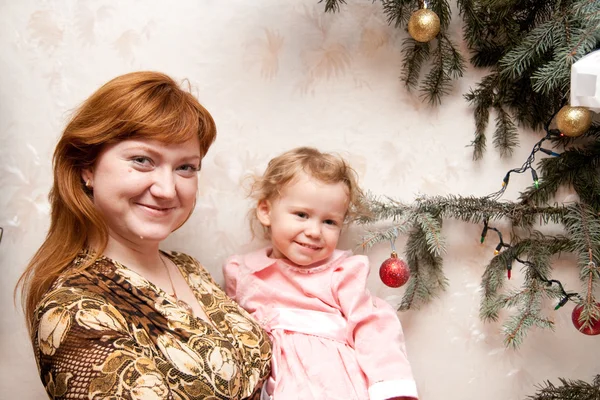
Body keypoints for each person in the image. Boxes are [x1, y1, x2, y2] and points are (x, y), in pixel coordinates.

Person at [16, 71, 271, 400]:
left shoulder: (187, 267)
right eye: (142, 160)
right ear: (87, 168)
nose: (167, 190)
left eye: (185, 167)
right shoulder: (74, 310)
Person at [223, 147, 419, 400]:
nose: (315, 231)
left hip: (333, 386)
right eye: (302, 215)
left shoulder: (341, 273)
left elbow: (374, 330)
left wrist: (392, 391)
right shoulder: (243, 273)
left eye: (329, 222)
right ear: (266, 211)